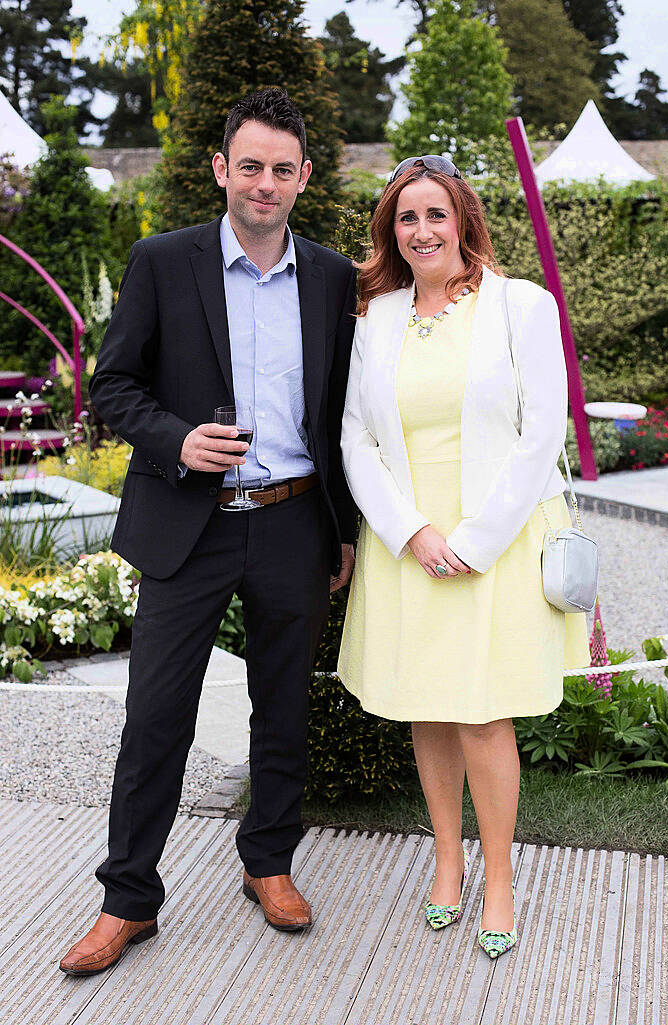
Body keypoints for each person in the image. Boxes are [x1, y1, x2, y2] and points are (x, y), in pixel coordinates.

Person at [59, 88, 358, 976]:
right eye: (250, 166)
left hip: (293, 522)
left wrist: (339, 527)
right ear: (221, 169)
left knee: (283, 709)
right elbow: (109, 387)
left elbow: (340, 412)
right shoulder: (162, 260)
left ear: (302, 178)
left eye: (282, 169)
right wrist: (175, 440)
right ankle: (127, 900)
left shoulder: (335, 277)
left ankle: (268, 861)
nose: (264, 183)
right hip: (187, 525)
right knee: (155, 717)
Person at [337, 155, 589, 959]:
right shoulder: (372, 317)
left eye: (434, 215)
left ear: (463, 221)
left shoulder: (521, 305)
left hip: (498, 537)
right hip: (407, 539)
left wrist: (475, 539)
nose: (420, 231)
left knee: (483, 714)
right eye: (405, 218)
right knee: (429, 705)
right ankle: (446, 860)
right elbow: (354, 436)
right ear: (391, 231)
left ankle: (499, 877)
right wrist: (409, 529)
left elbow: (541, 432)